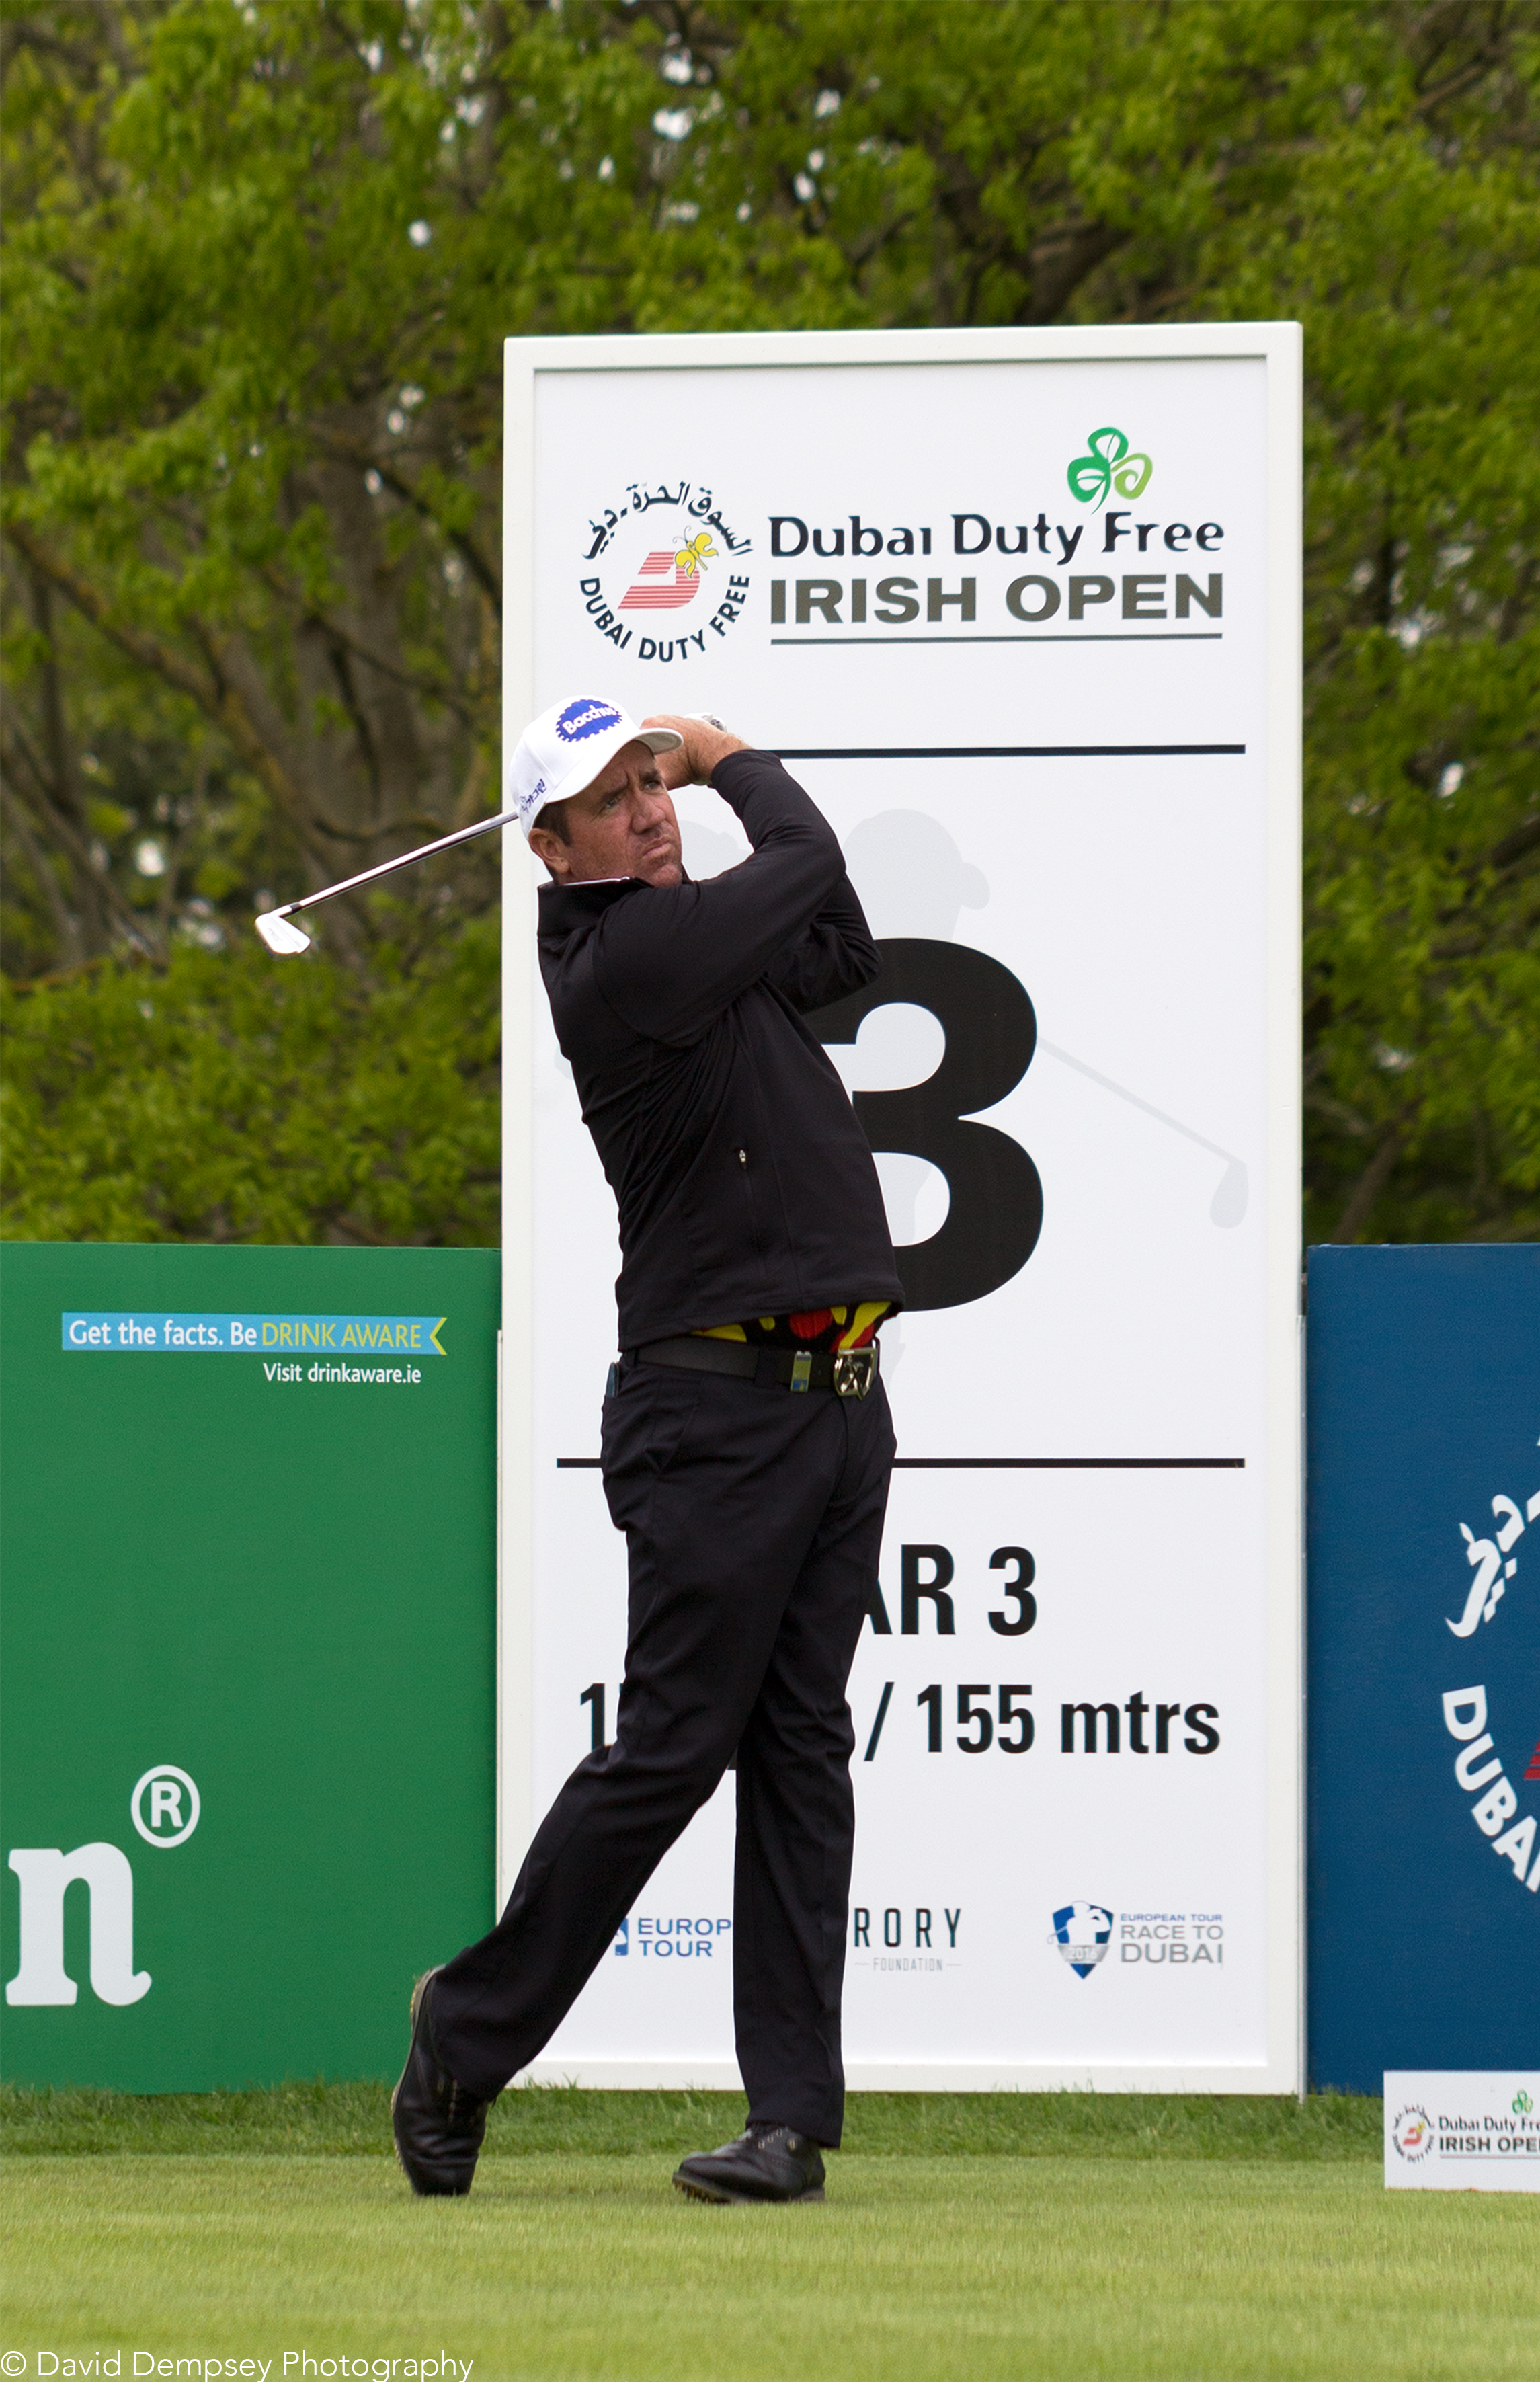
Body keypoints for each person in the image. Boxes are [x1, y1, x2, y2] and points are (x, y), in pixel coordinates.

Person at [392, 694, 903, 2205]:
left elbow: (845, 947)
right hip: (714, 1411)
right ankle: (462, 2037)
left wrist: (707, 778)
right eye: (615, 801)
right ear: (550, 849)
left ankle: (788, 2121)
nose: (650, 810)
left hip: (835, 1397)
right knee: (675, 1744)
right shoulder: (624, 958)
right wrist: (725, 747)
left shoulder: (701, 941)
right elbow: (804, 854)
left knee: (802, 1740)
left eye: (651, 784)